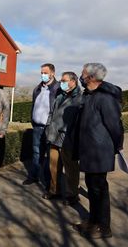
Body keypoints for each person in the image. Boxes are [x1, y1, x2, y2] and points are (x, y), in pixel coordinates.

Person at [72, 63, 124, 239]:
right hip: (89, 150)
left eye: (83, 74)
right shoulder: (89, 94)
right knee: (92, 188)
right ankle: (93, 221)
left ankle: (104, 227)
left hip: (99, 152)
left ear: (91, 77)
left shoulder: (105, 98)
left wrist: (117, 146)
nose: (81, 76)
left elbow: (115, 126)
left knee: (99, 189)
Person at [43, 72, 82, 206]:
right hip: (53, 136)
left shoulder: (80, 98)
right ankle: (54, 190)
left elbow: (79, 121)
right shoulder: (59, 95)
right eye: (61, 80)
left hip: (68, 139)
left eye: (64, 80)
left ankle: (72, 195)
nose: (61, 82)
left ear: (73, 82)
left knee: (71, 169)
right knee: (53, 166)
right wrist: (48, 127)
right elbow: (51, 113)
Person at [23, 63, 60, 186]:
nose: (43, 75)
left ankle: (48, 181)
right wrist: (33, 121)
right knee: (36, 152)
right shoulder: (37, 89)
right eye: (41, 73)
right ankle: (33, 176)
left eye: (45, 73)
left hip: (50, 128)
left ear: (52, 73)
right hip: (37, 127)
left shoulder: (58, 88)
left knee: (50, 156)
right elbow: (34, 105)